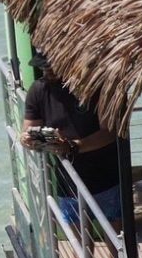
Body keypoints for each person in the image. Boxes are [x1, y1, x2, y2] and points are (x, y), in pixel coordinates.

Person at [20, 50, 123, 225]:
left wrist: (74, 146)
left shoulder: (95, 87)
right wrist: (35, 139)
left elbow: (110, 132)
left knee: (115, 236)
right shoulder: (39, 90)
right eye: (44, 67)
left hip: (106, 175)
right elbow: (29, 131)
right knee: (79, 244)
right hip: (67, 180)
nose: (47, 71)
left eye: (52, 66)